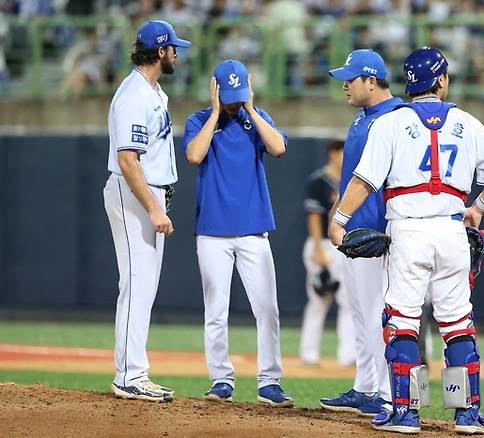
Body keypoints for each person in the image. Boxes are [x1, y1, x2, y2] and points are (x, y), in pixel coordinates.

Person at [328, 47, 484, 434]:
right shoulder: (467, 122)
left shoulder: (391, 123)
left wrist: (340, 219)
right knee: (457, 324)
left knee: (403, 323)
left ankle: (408, 413)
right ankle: (465, 413)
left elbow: (364, 182)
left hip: (409, 229)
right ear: (441, 80)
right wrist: (477, 209)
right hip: (451, 228)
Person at [182, 59, 293, 407]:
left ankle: (269, 381)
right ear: (215, 90)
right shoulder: (200, 120)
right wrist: (216, 113)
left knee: (267, 309)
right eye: (227, 95)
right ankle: (221, 379)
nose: (233, 102)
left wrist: (251, 107)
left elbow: (278, 148)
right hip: (213, 232)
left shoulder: (256, 119)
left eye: (237, 94)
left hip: (253, 231)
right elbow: (194, 155)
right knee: (216, 310)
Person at [103, 20, 191, 402]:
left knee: (144, 286)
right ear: (160, 52)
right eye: (173, 48)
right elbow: (127, 160)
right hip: (134, 193)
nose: (177, 53)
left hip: (145, 193)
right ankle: (129, 374)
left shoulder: (152, 91)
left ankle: (135, 371)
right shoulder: (135, 95)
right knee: (136, 284)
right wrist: (154, 208)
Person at [319, 49, 404, 417]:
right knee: (358, 313)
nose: (344, 86)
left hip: (380, 233)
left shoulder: (399, 117)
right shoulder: (362, 117)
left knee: (379, 315)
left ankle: (386, 393)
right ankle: (365, 387)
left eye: (350, 80)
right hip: (354, 230)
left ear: (372, 80)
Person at [299, 139, 356, 368]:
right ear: (332, 153)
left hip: (345, 246)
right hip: (322, 243)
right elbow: (313, 217)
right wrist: (317, 249)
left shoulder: (351, 183)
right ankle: (309, 354)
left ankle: (348, 355)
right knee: (319, 300)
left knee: (348, 302)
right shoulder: (318, 182)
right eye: (342, 151)